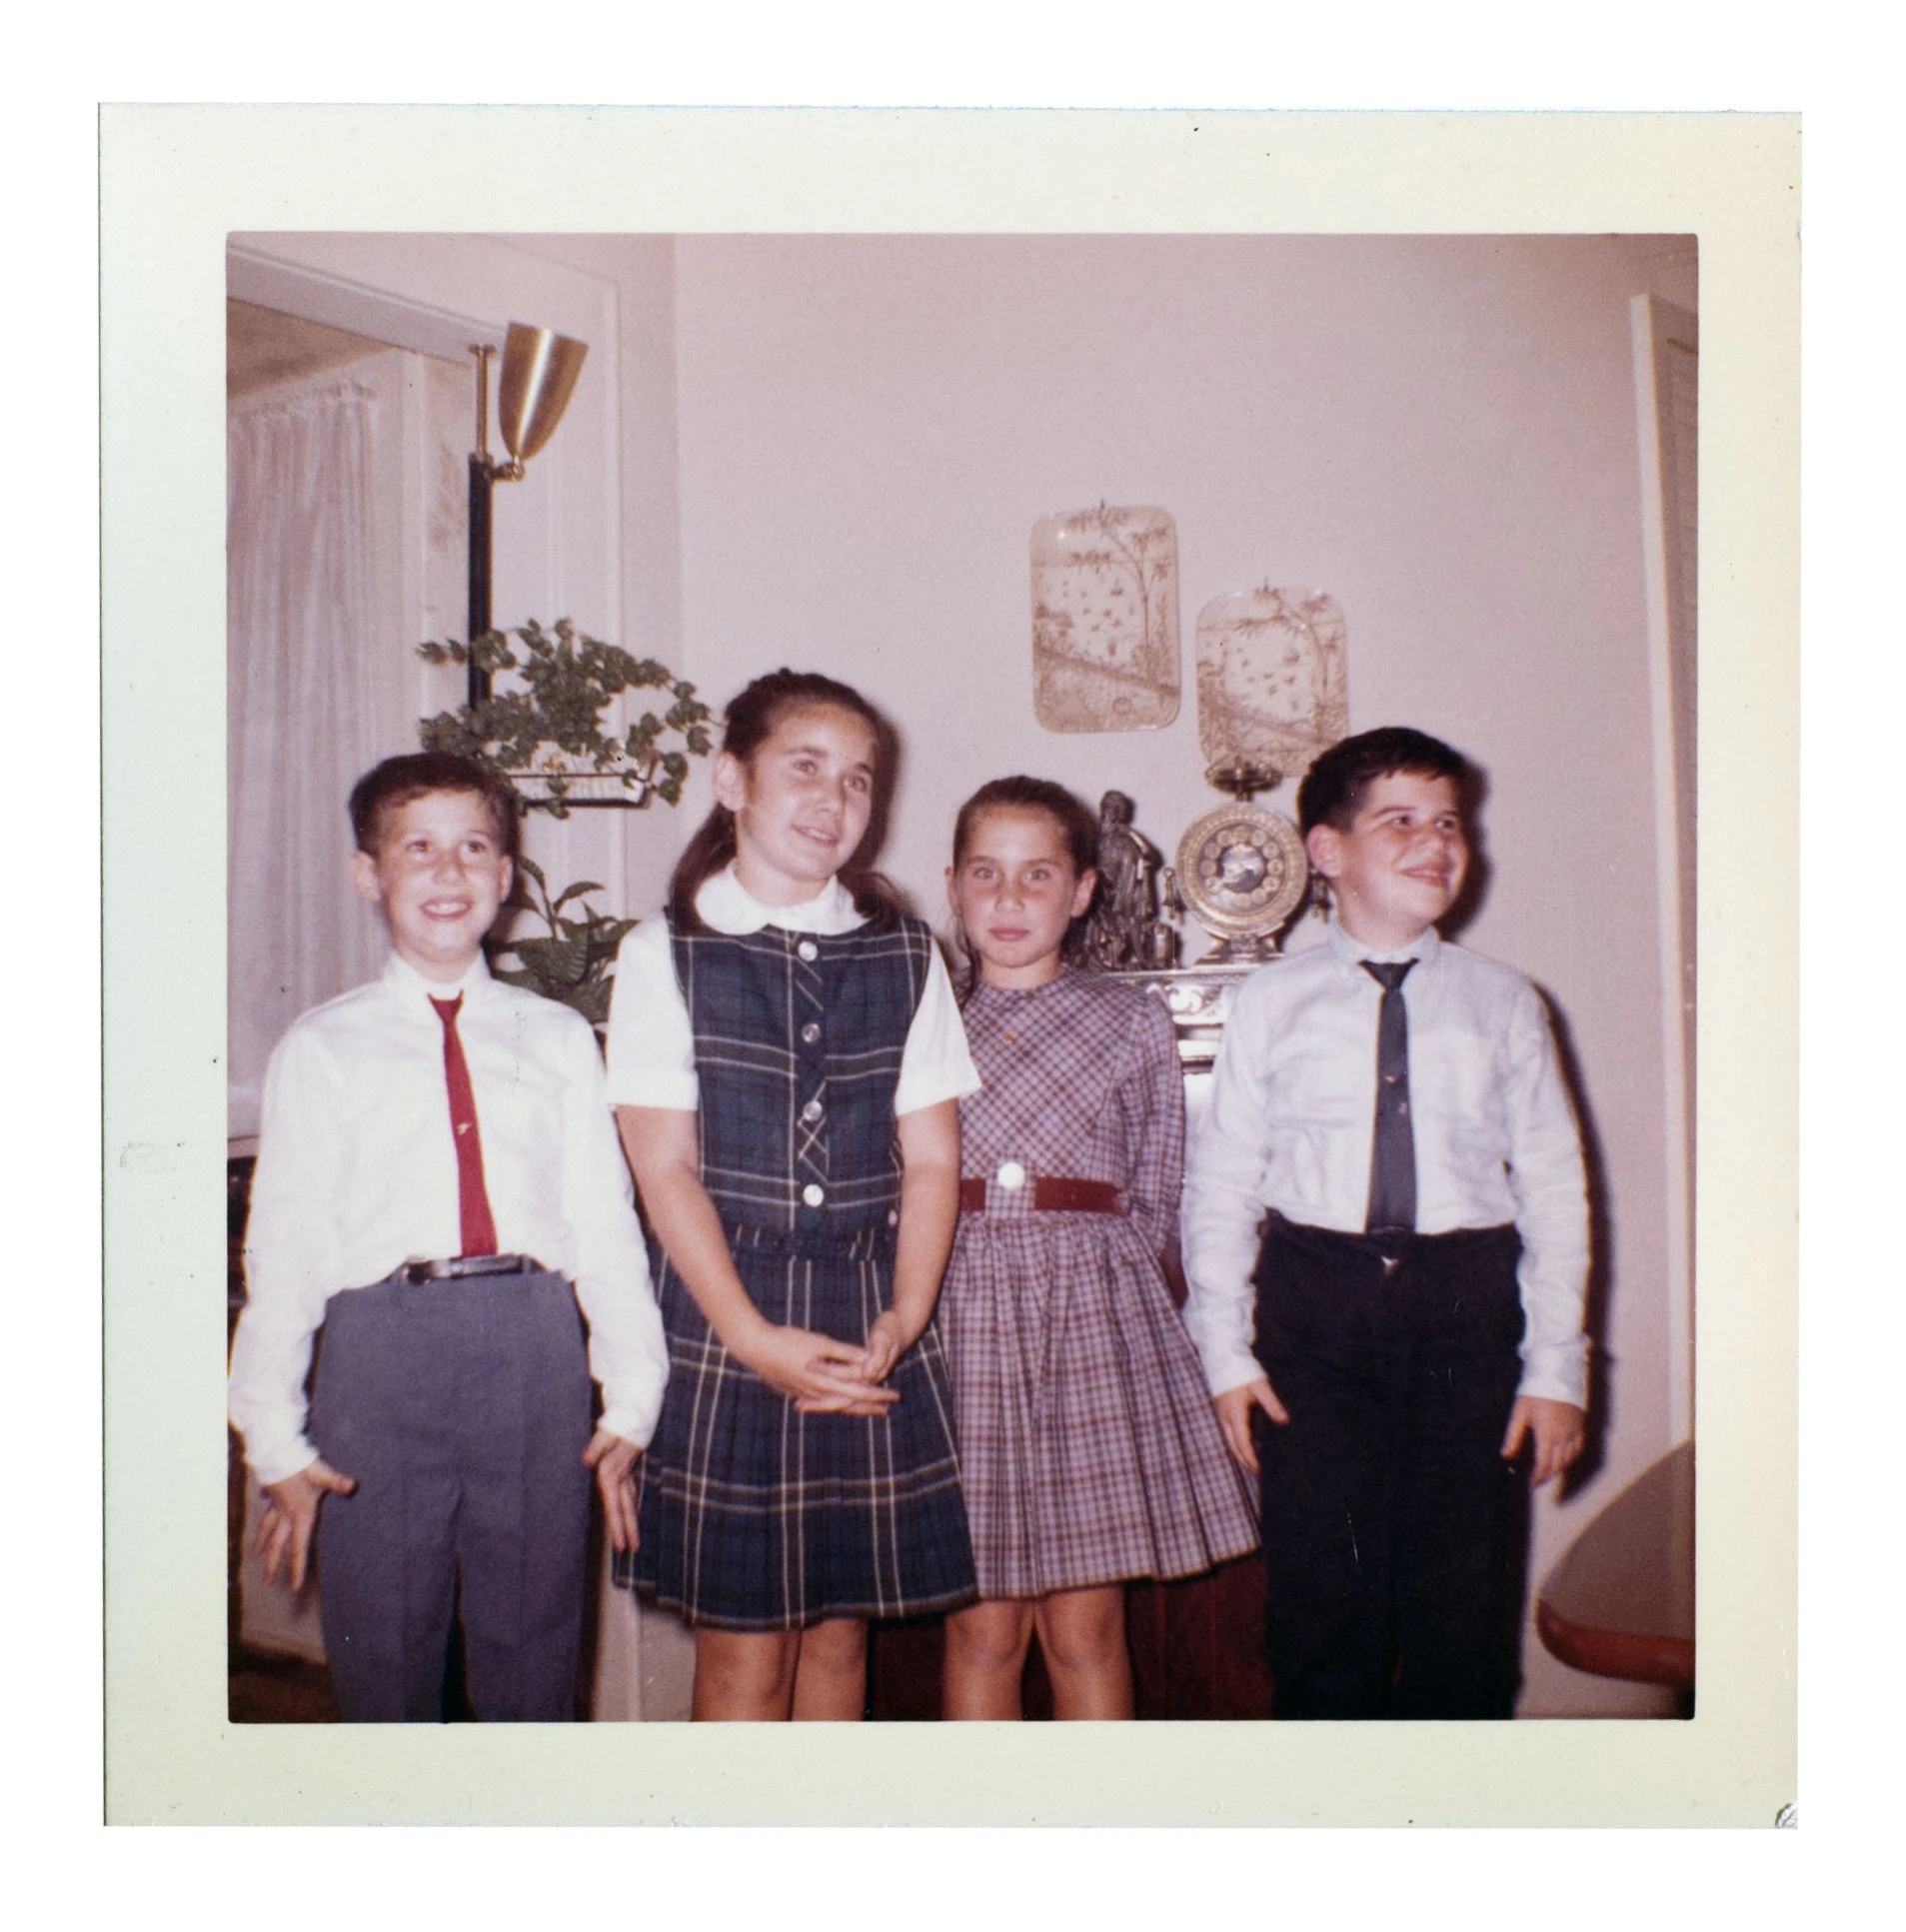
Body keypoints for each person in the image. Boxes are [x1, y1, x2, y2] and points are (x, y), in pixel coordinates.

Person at [227, 751, 669, 1722]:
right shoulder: (322, 1046)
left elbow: (603, 1226)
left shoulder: (553, 1036)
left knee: (536, 1647)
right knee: (382, 1650)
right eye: (416, 847)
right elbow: (286, 1255)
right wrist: (274, 1438)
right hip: (381, 1360)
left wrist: (632, 1398)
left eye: (474, 847)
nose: (447, 871)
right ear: (366, 873)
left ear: (506, 877)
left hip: (533, 1354)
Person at [1181, 727, 1590, 1719]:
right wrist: (1225, 1356)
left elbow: (1550, 1184)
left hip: (1465, 1314)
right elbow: (1223, 1180)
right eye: (1397, 820)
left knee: (1461, 1616)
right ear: (1326, 852)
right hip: (1312, 1314)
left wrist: (1555, 1368)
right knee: (1321, 1614)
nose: (1433, 841)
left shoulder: (1501, 1003)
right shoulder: (1272, 1004)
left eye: (1446, 821)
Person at [607, 669, 979, 1721]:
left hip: (867, 1311)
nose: (833, 800)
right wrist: (750, 1335)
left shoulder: (906, 953)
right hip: (729, 1316)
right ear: (732, 779)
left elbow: (932, 1161)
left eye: (858, 780)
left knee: (837, 1642)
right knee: (744, 1657)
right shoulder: (662, 952)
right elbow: (661, 1167)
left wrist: (903, 1316)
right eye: (804, 768)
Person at [939, 777, 1259, 1720]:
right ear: (953, 884)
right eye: (985, 873)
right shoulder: (923, 1022)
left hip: (1092, 1326)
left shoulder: (1130, 1020)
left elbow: (1158, 1186)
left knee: (1085, 1627)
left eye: (1037, 874)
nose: (1008, 898)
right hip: (959, 1320)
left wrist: (1099, 1283)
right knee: (982, 1626)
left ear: (1082, 891)